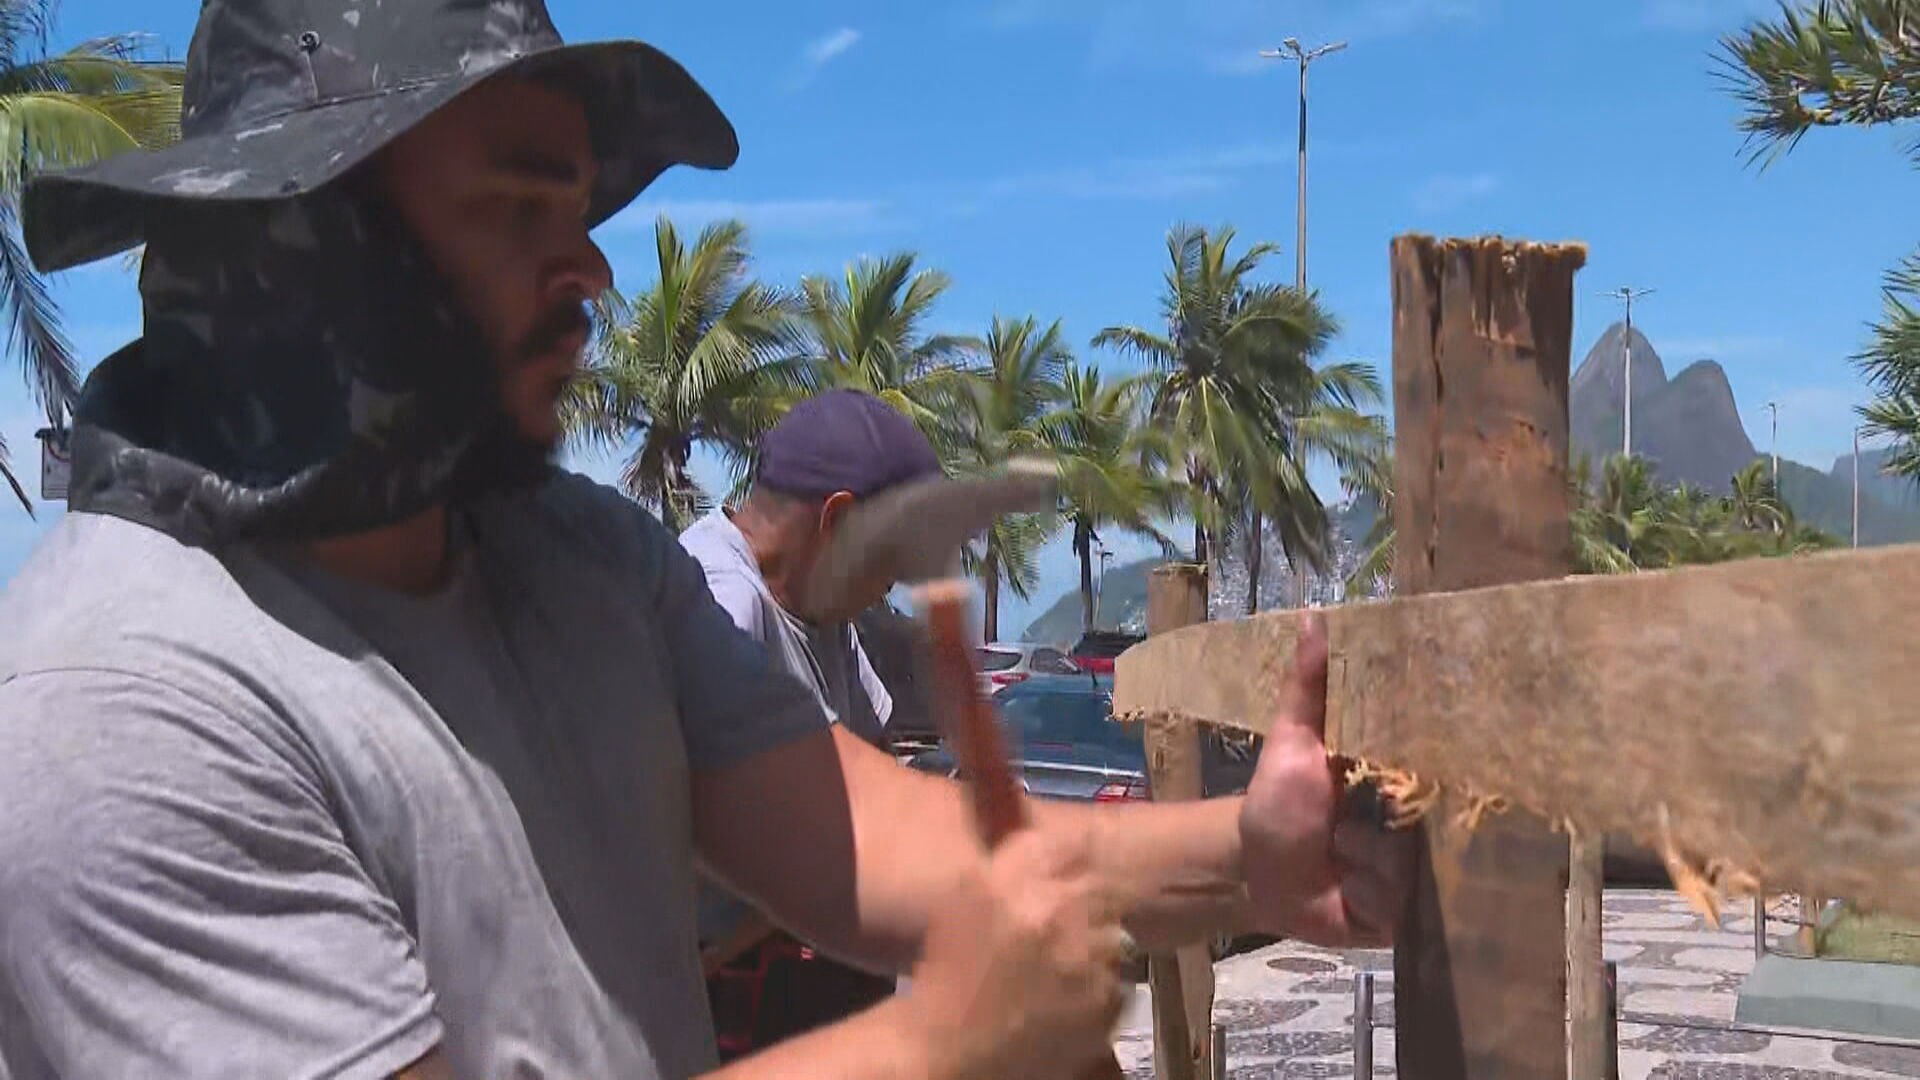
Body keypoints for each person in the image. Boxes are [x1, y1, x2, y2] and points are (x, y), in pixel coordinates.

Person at [0, 3, 1411, 1080]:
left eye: (579, 209)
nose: (591, 269)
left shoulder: (578, 560)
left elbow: (883, 843)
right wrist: (935, 1043)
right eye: (516, 206)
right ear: (299, 248)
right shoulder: (121, 713)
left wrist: (1252, 856)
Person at [680, 390, 939, 1056]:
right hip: (724, 1004)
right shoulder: (720, 606)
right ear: (838, 519)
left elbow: (874, 777)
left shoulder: (821, 609)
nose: (891, 585)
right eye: (890, 559)